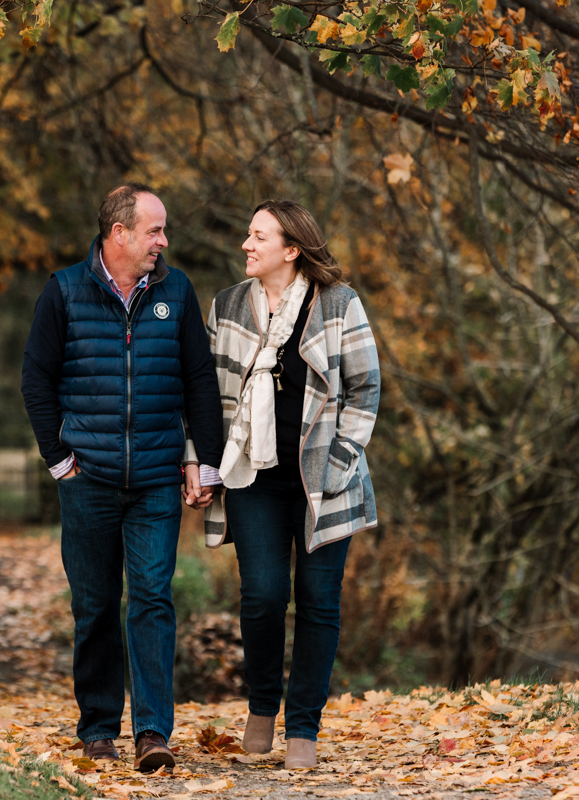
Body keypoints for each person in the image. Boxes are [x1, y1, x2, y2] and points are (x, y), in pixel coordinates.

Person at [21, 183, 223, 771]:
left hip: (158, 478)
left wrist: (202, 460)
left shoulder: (176, 291)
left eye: (163, 231)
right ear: (120, 234)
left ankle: (153, 732)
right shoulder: (64, 291)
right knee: (95, 604)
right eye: (155, 230)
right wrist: (59, 458)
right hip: (89, 480)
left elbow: (198, 381)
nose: (163, 241)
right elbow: (37, 379)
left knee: (154, 599)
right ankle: (99, 728)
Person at [203, 200, 381, 769]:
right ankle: (262, 704)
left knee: (318, 602)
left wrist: (340, 460)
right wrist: (202, 463)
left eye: (258, 236)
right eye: (248, 234)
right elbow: (208, 397)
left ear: (291, 249)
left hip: (324, 482)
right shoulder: (228, 305)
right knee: (262, 597)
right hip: (253, 475)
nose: (246, 245)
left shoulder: (338, 304)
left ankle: (303, 726)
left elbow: (364, 389)